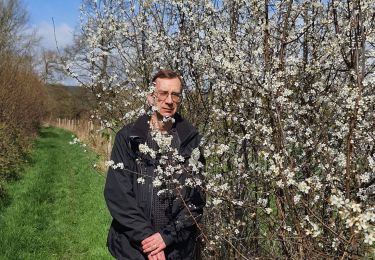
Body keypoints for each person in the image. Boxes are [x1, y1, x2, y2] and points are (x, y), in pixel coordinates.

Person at [104, 69, 205, 260]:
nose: (169, 101)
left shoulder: (190, 141)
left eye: (175, 94)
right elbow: (118, 195)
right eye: (163, 93)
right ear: (151, 97)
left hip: (178, 249)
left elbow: (196, 200)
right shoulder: (129, 138)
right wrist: (149, 240)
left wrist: (167, 237)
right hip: (133, 248)